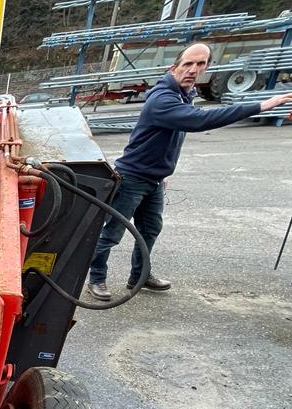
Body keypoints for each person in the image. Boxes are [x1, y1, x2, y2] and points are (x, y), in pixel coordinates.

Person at [87, 43, 292, 300]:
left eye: (200, 64)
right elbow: (199, 121)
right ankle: (96, 278)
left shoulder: (184, 94)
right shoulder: (162, 99)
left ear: (207, 67)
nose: (193, 70)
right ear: (173, 67)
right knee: (112, 232)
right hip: (132, 178)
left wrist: (164, 172)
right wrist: (260, 106)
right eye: (188, 64)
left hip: (154, 178)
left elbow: (168, 139)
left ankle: (139, 276)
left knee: (150, 230)